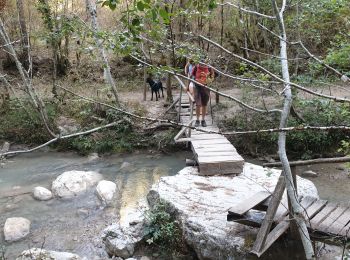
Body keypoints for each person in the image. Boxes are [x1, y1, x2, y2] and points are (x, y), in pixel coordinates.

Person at [191, 59, 214, 127]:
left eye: (204, 63)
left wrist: (210, 81)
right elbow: (191, 76)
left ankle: (203, 120)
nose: (202, 65)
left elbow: (213, 76)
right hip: (197, 87)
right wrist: (187, 86)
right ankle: (197, 120)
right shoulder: (196, 67)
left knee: (204, 104)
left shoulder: (209, 68)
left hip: (205, 87)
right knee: (198, 104)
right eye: (201, 63)